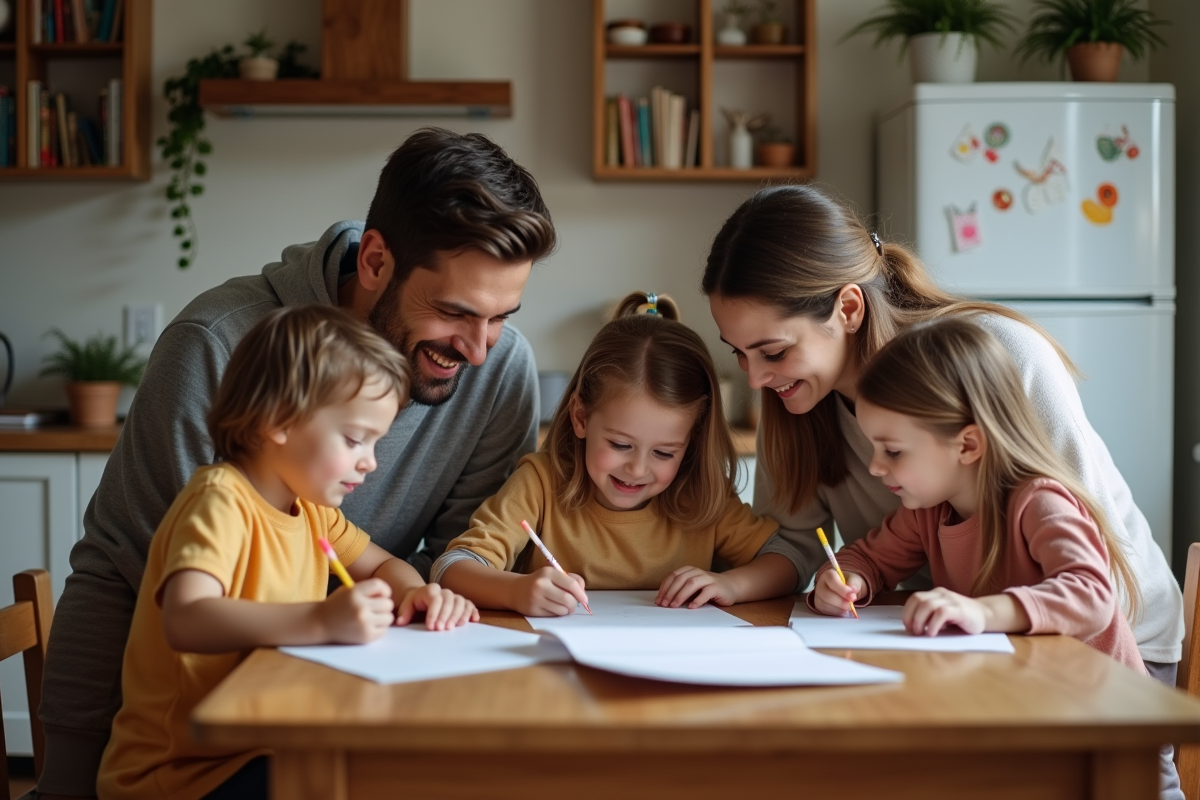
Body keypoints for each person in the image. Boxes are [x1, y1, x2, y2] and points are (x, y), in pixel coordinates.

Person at [39, 128, 555, 798]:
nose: (480, 351)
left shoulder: (499, 368)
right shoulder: (219, 347)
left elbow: (461, 559)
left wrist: (418, 597)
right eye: (455, 312)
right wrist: (69, 771)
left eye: (502, 317)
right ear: (375, 261)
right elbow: (138, 576)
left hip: (332, 696)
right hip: (185, 738)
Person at [702, 184, 1182, 686]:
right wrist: (840, 578)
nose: (755, 379)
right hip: (964, 639)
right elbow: (823, 548)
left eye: (773, 352)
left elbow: (1093, 576)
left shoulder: (999, 359)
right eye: (738, 352)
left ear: (848, 309)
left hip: (1108, 651)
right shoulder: (801, 408)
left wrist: (982, 614)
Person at [97, 305, 478, 800]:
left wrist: (416, 594)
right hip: (181, 775)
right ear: (278, 420)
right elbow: (185, 618)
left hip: (262, 744)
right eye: (355, 439)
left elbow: (385, 565)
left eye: (375, 443)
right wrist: (320, 621)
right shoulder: (221, 501)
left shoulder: (311, 510)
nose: (370, 462)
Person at [808, 317, 1182, 800]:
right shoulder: (927, 511)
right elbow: (869, 558)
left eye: (893, 451)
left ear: (967, 444)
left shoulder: (1040, 502)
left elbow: (1092, 595)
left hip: (1111, 733)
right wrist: (846, 579)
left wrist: (982, 612)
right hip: (1029, 715)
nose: (876, 467)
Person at [432, 292, 796, 615]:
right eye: (620, 445)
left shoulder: (700, 493)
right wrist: (515, 591)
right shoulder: (541, 482)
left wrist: (732, 584)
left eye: (664, 453)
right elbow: (452, 567)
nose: (637, 469)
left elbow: (789, 560)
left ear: (692, 441)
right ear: (580, 418)